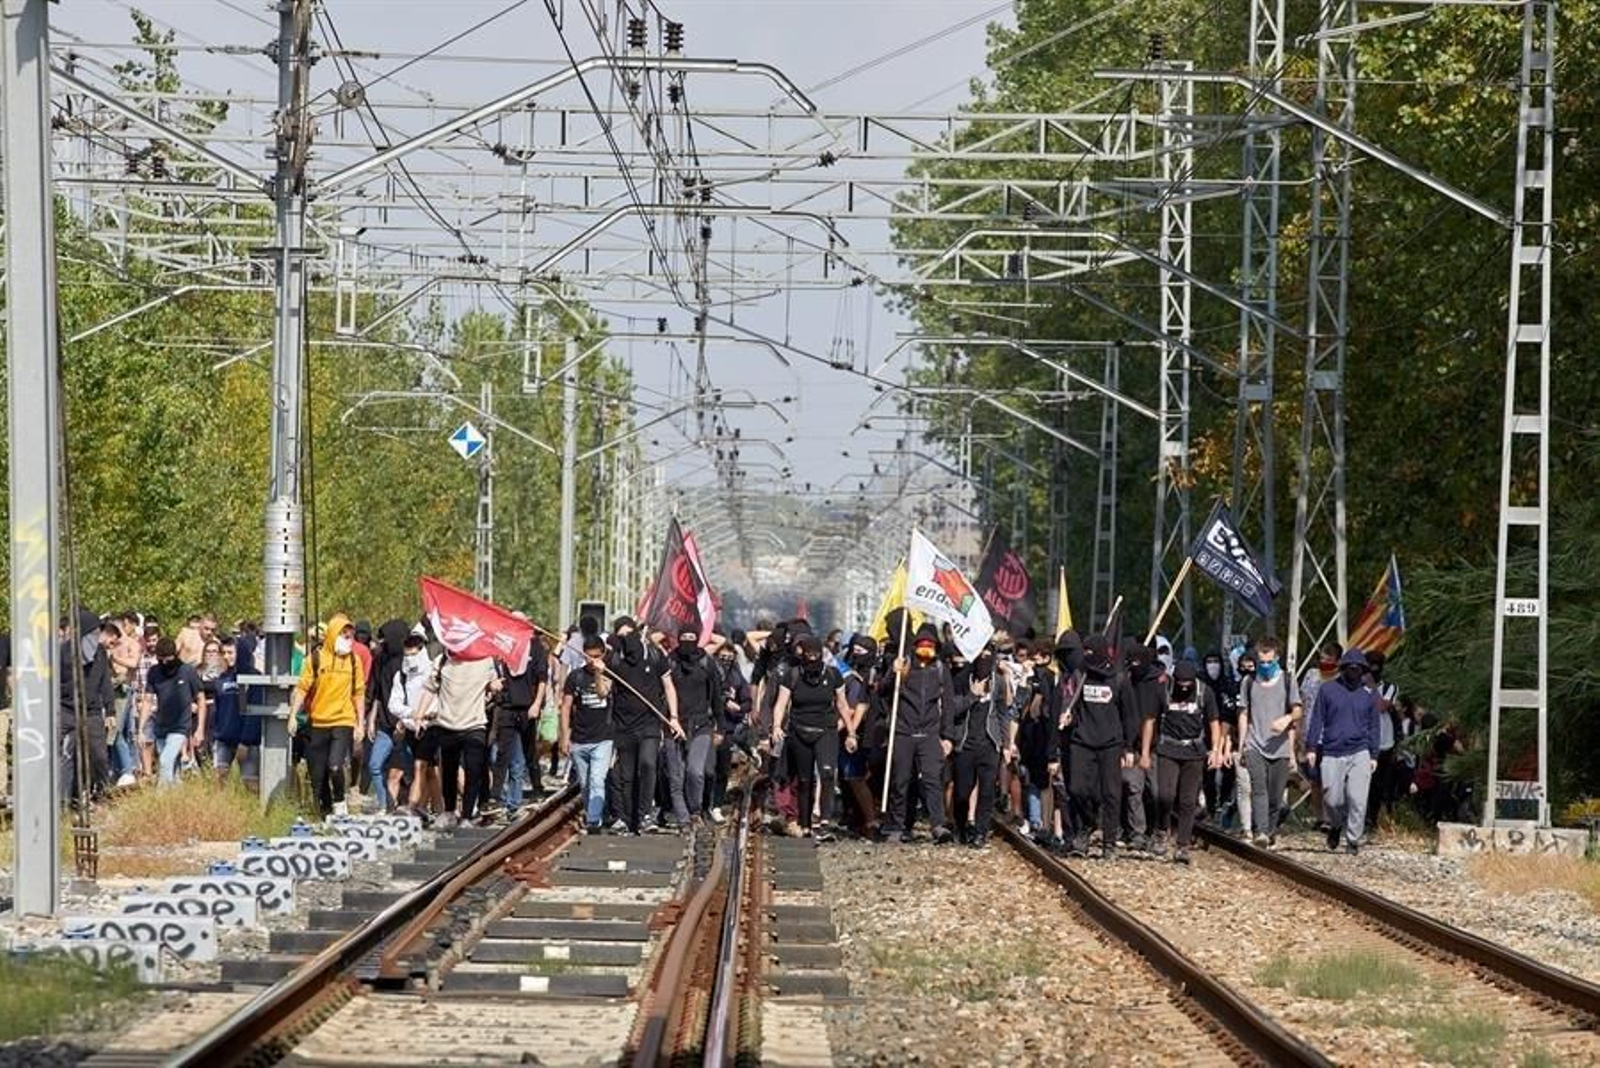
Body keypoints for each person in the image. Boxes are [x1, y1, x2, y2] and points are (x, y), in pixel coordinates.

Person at [1056, 633, 1139, 860]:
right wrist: (1067, 716)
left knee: (1111, 794)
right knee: (1077, 789)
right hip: (1082, 741)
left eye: (1092, 653)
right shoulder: (1080, 674)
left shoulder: (1119, 678)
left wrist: (1129, 747)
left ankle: (1109, 842)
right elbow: (1069, 702)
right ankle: (1087, 824)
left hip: (1111, 744)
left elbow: (1130, 715)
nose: (1088, 657)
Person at [877, 624, 957, 845]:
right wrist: (894, 675)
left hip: (930, 733)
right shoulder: (904, 666)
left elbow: (948, 704)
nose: (925, 650)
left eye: (930, 646)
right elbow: (882, 691)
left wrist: (947, 736)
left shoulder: (941, 670)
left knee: (932, 779)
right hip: (903, 731)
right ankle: (896, 825)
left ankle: (938, 825)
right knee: (900, 780)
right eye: (921, 646)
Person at [606, 616, 682, 834]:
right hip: (623, 725)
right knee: (627, 774)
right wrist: (598, 671)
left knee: (648, 764)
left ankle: (645, 813)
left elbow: (668, 686)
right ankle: (631, 819)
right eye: (620, 636)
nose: (625, 640)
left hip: (649, 723)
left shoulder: (655, 656)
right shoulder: (615, 659)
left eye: (629, 634)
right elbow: (604, 691)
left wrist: (674, 717)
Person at [771, 635, 852, 839]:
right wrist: (776, 727)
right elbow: (781, 704)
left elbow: (842, 704)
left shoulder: (833, 675)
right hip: (799, 730)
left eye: (816, 654)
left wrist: (851, 732)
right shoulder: (793, 675)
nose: (812, 658)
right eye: (809, 655)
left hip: (826, 730)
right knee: (805, 779)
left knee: (826, 774)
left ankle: (824, 820)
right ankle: (806, 825)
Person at [289, 614, 366, 817]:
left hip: (343, 720)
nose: (348, 640)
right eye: (344, 635)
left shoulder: (353, 661)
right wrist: (292, 716)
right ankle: (325, 813)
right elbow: (302, 688)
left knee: (335, 765)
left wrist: (360, 723)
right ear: (332, 635)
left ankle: (340, 803)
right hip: (318, 722)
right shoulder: (314, 659)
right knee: (317, 775)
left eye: (350, 636)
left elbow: (358, 693)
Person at [1305, 649, 1381, 853]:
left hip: (1360, 750)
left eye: (1358, 668)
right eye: (1350, 667)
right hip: (1331, 750)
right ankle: (1336, 825)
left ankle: (1353, 840)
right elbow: (1317, 719)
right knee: (1332, 798)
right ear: (1343, 668)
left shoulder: (1370, 693)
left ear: (1363, 670)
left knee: (1358, 798)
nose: (1354, 671)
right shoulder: (1328, 689)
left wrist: (1374, 754)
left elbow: (1375, 725)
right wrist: (1311, 747)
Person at [1149, 661, 1221, 863]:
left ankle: (1182, 846)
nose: (1183, 687)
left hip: (1194, 750)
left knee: (1188, 801)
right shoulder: (1164, 690)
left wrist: (1215, 750)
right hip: (1168, 748)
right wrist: (1146, 750)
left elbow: (1214, 722)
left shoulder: (1204, 692)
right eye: (1180, 682)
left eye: (1187, 683)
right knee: (1164, 795)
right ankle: (1162, 829)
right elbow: (1150, 720)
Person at [417, 648, 496, 828]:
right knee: (449, 771)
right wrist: (419, 715)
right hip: (447, 724)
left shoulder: (485, 659)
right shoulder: (442, 660)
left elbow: (492, 684)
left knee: (473, 770)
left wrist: (494, 686)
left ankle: (467, 815)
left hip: (475, 723)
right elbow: (430, 689)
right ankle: (449, 811)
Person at [1236, 637, 1301, 846]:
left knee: (1275, 795)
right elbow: (1244, 714)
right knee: (1259, 789)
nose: (1264, 666)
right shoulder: (1248, 682)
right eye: (1261, 661)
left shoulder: (1288, 680)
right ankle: (1261, 832)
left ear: (1277, 659)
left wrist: (1287, 718)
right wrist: (1242, 745)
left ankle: (1271, 829)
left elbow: (1298, 710)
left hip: (1279, 747)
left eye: (1269, 661)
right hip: (1255, 744)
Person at [951, 645, 1005, 848]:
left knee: (987, 791)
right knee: (962, 792)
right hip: (965, 744)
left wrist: (1005, 743)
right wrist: (972, 696)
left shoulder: (998, 682)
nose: (984, 660)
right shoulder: (961, 680)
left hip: (989, 745)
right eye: (979, 656)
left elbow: (1003, 713)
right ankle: (961, 826)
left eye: (987, 656)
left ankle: (981, 832)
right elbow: (952, 709)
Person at [667, 629, 721, 828]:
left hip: (701, 725)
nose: (687, 642)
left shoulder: (706, 662)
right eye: (684, 638)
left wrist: (720, 726)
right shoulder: (670, 661)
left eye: (692, 638)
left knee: (695, 772)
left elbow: (716, 696)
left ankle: (696, 810)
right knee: (676, 776)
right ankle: (682, 816)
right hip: (673, 725)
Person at [560, 635, 615, 831]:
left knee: (597, 780)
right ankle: (593, 811)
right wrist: (565, 736)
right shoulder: (575, 676)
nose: (592, 661)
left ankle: (593, 820)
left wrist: (599, 673)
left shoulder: (610, 674)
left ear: (603, 654)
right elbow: (566, 707)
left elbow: (602, 693)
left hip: (603, 738)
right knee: (585, 784)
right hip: (579, 739)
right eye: (589, 657)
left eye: (597, 657)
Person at [390, 633, 441, 820]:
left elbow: (438, 699)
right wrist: (411, 714)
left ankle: (412, 805)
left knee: (421, 765)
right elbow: (394, 704)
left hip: (430, 727)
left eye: (413, 653)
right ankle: (440, 809)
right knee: (430, 771)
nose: (410, 658)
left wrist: (425, 715)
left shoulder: (432, 671)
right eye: (407, 654)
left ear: (421, 651)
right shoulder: (401, 676)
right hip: (412, 728)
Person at [1121, 639, 1164, 851]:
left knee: (1155, 791)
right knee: (1132, 787)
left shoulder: (1153, 683)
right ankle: (1137, 831)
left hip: (1151, 747)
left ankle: (1157, 830)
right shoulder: (1127, 679)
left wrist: (1145, 752)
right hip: (1129, 745)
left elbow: (1149, 719)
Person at [145, 637, 205, 785]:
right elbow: (147, 700)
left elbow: (201, 699)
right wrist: (141, 728)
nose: (165, 664)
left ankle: (161, 799)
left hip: (180, 726)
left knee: (165, 761)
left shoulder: (187, 671)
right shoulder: (154, 672)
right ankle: (177, 797)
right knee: (172, 768)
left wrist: (200, 729)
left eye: (169, 660)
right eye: (162, 660)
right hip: (161, 726)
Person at [836, 635, 879, 838]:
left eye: (862, 652)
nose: (857, 655)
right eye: (856, 651)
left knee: (859, 777)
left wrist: (849, 730)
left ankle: (871, 820)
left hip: (868, 731)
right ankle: (858, 818)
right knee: (850, 778)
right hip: (850, 731)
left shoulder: (873, 675)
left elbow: (859, 706)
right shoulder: (848, 673)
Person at [709, 639, 752, 823]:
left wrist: (740, 709)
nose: (726, 660)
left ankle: (716, 805)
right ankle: (704, 804)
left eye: (729, 657)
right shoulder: (709, 673)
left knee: (722, 769)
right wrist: (725, 701)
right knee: (706, 770)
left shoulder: (737, 677)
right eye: (722, 656)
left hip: (727, 728)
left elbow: (747, 701)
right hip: (708, 726)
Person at [211, 637, 260, 787]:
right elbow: (217, 709)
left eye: (230, 652)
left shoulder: (255, 678)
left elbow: (254, 713)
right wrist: (216, 733)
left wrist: (246, 741)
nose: (226, 657)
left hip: (247, 741)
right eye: (224, 653)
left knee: (250, 781)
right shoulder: (221, 679)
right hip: (224, 739)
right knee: (220, 779)